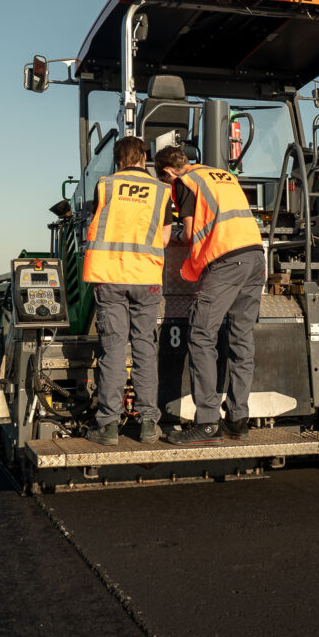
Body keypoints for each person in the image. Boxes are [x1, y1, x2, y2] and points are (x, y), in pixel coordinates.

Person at [154, 146, 265, 445]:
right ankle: (238, 420)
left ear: (167, 171)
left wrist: (173, 234)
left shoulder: (185, 183)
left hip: (227, 260)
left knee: (202, 335)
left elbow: (190, 233)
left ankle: (206, 423)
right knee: (241, 339)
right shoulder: (223, 175)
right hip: (255, 256)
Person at [83, 136, 173, 446]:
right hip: (145, 276)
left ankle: (108, 426)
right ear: (144, 157)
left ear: (118, 159)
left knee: (114, 349)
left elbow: (95, 223)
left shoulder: (105, 186)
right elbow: (164, 236)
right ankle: (148, 423)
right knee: (145, 348)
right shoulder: (162, 191)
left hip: (109, 275)